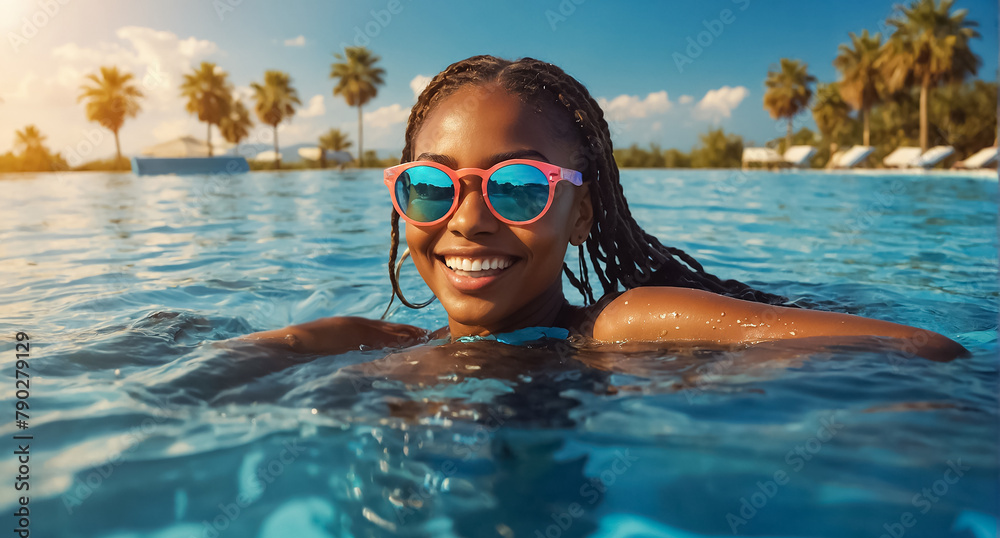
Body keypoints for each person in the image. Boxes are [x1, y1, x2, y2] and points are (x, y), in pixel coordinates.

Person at [239, 55, 966, 363]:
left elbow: (919, 351)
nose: (467, 219)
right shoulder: (369, 347)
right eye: (430, 185)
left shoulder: (619, 329)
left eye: (518, 185)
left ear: (580, 214)